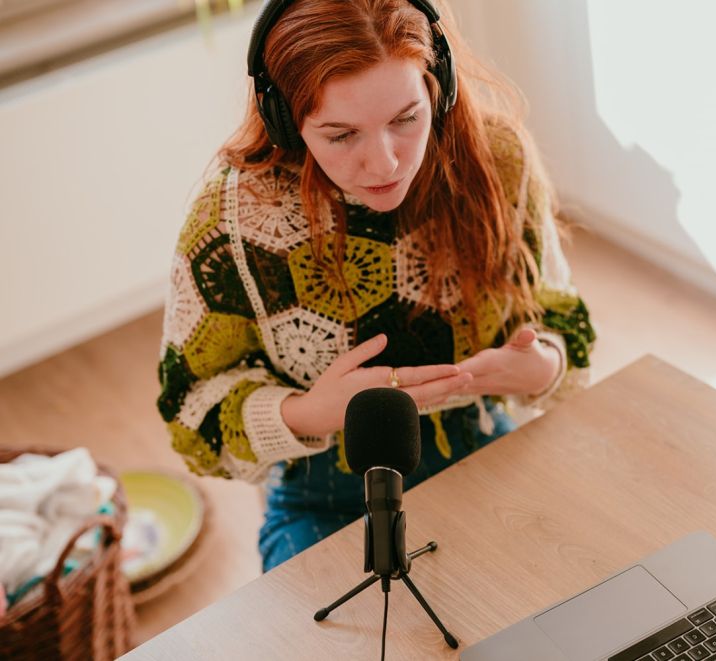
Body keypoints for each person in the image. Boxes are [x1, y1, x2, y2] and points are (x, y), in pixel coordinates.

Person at [157, 0, 595, 572]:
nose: (385, 162)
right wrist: (311, 413)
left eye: (407, 118)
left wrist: (546, 366)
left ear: (441, 84)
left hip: (483, 446)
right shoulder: (232, 219)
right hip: (326, 496)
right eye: (341, 135)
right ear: (285, 119)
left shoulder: (497, 160)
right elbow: (190, 411)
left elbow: (561, 317)